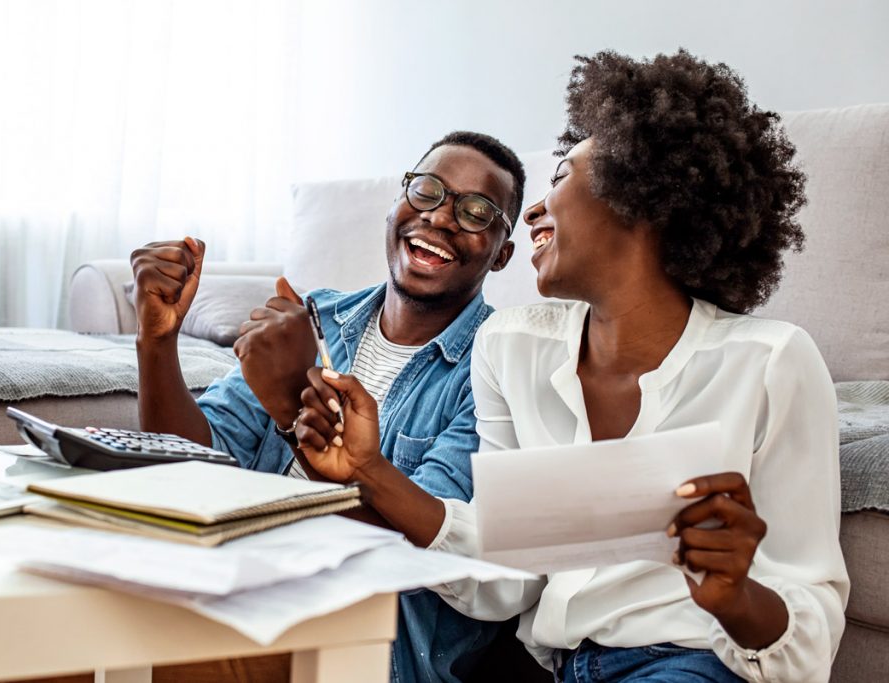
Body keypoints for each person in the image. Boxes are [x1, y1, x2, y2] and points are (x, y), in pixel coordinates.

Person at [292, 50, 849, 682]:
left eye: (559, 176)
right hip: (552, 666)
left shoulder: (771, 362)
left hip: (695, 662)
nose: (532, 211)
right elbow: (506, 577)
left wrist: (735, 597)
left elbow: (811, 621)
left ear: (641, 197)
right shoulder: (511, 346)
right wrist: (368, 470)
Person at [129, 131, 526, 682]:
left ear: (502, 255)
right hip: (233, 585)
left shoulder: (498, 364)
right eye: (428, 190)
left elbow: (430, 543)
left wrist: (292, 409)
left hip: (361, 645)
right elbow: (189, 461)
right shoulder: (318, 317)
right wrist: (156, 341)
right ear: (396, 204)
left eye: (477, 211)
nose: (440, 217)